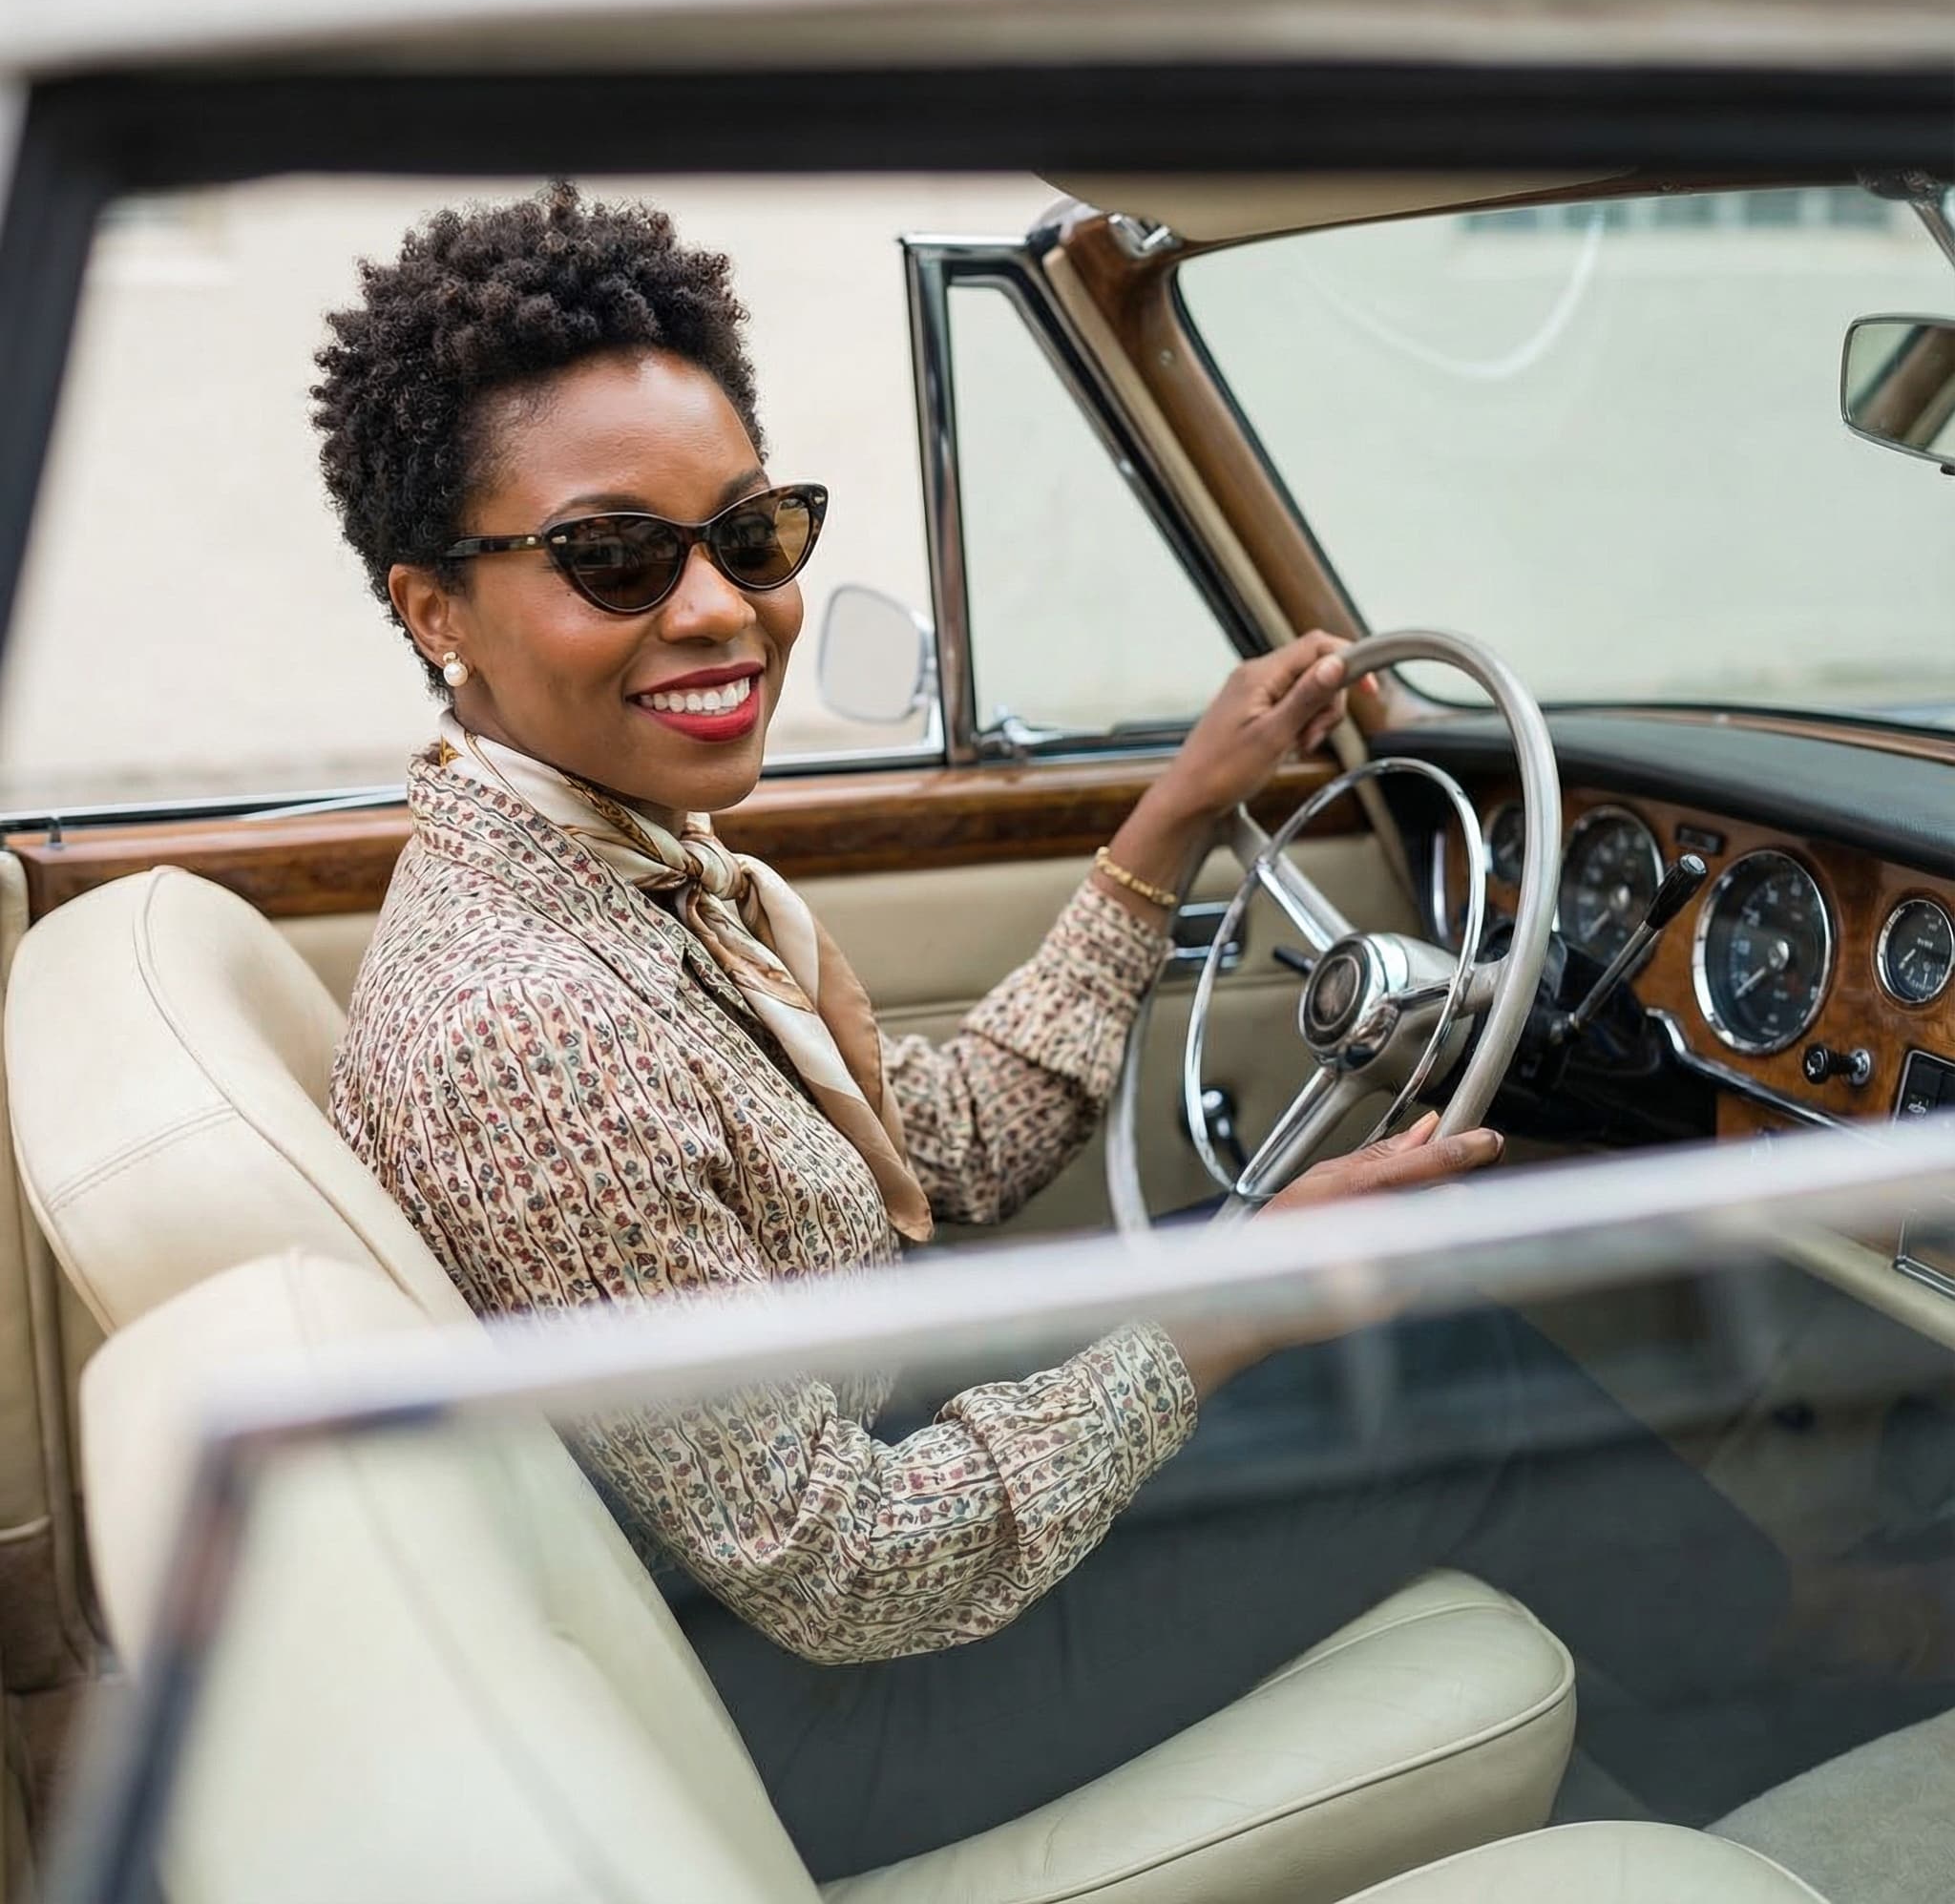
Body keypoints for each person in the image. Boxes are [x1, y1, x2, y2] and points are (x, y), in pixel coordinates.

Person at [316, 184, 1902, 1881]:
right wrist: (1235, 1305)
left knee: (1405, 1328)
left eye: (752, 536)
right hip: (817, 1704)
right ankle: (1810, 1737)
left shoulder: (626, 877)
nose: (718, 610)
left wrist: (1172, 821)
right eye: (616, 558)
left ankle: (1741, 1666)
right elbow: (842, 1571)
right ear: (435, 609)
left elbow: (940, 1151)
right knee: (1458, 1397)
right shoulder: (529, 1025)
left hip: (827, 1507)